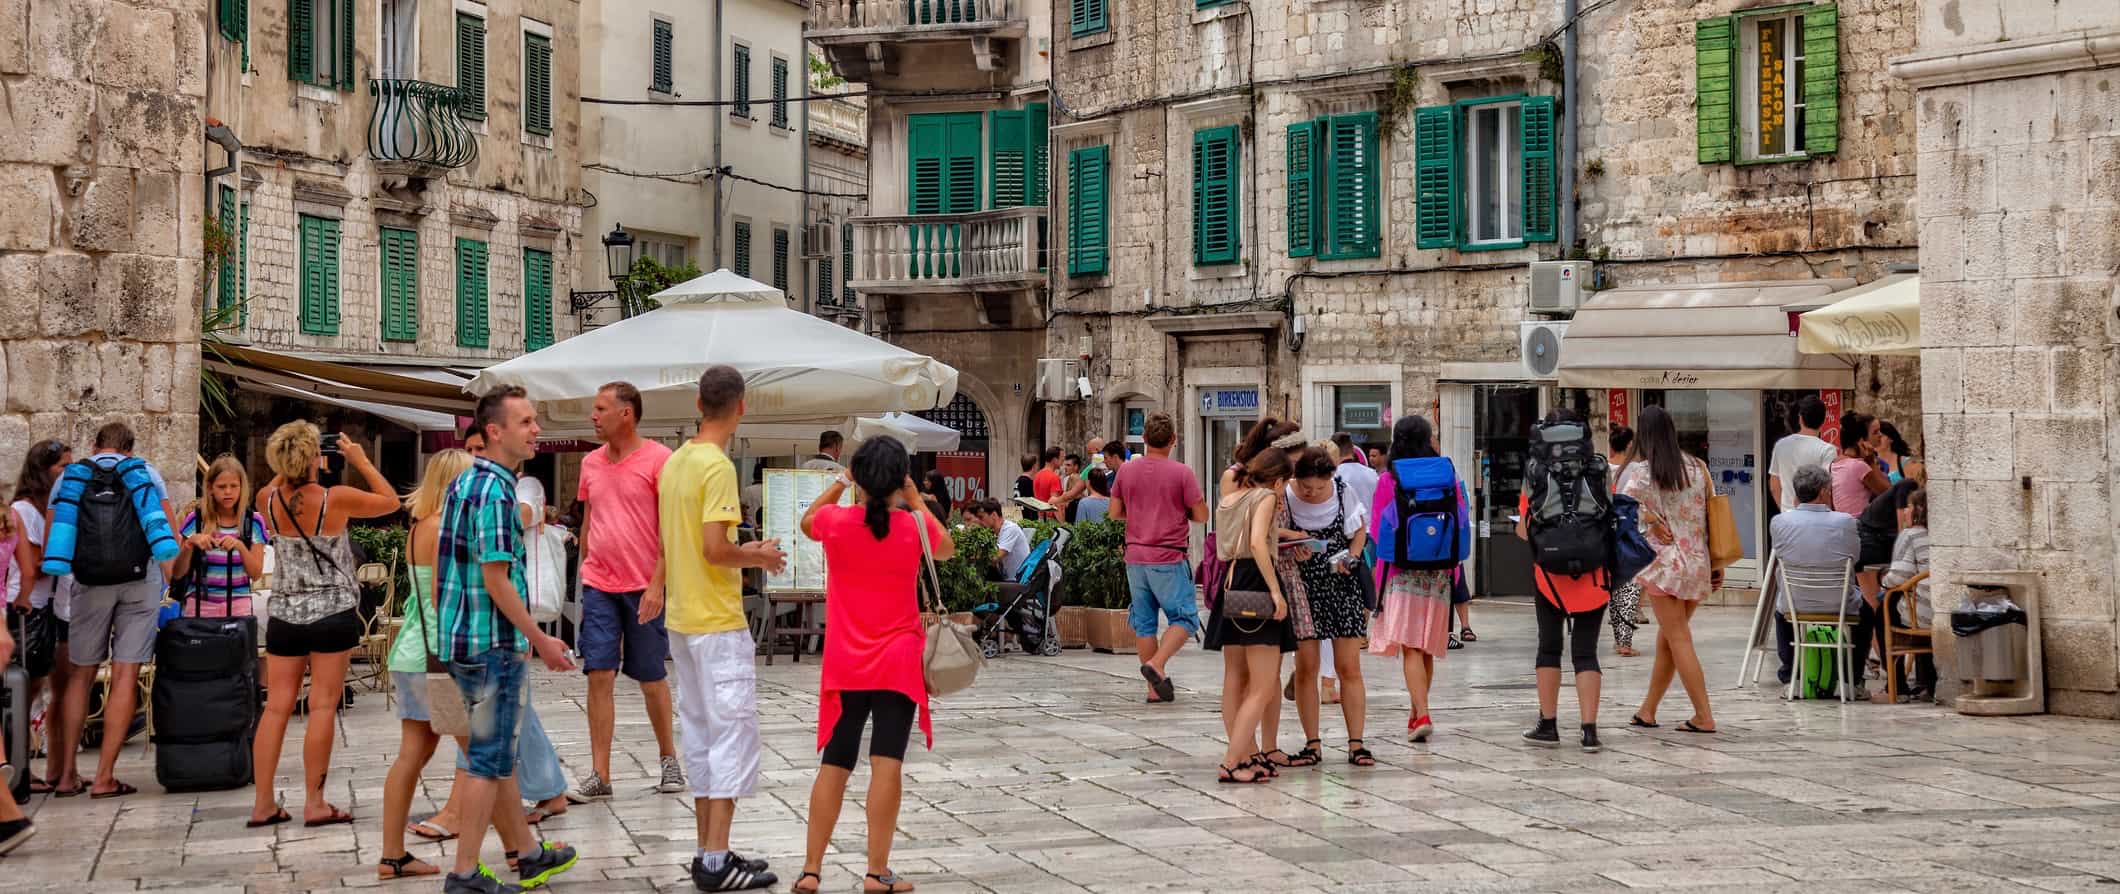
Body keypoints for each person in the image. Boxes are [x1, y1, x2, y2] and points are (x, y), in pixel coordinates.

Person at [435, 388, 581, 893]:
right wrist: (540, 638)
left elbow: (445, 569)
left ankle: (529, 853)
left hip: (461, 640)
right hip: (491, 643)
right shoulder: (498, 494)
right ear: (495, 431)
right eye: (526, 421)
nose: (536, 429)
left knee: (496, 757)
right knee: (486, 762)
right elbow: (496, 578)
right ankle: (465, 873)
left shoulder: (463, 484)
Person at [791, 438, 949, 894]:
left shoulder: (836, 523)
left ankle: (811, 870)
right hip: (898, 658)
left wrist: (842, 482)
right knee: (887, 764)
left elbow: (806, 521)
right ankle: (877, 872)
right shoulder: (912, 527)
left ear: (860, 477)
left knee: (835, 764)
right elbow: (947, 550)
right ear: (900, 477)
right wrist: (916, 498)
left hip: (846, 660)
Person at [656, 366, 789, 891]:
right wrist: (754, 555)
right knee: (731, 736)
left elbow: (675, 543)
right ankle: (715, 860)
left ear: (697, 403)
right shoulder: (716, 468)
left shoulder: (674, 464)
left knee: (702, 735)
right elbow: (714, 549)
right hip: (716, 618)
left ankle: (708, 850)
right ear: (741, 407)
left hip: (682, 618)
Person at [246, 422, 397, 826]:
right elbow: (390, 501)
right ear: (315, 456)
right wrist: (361, 460)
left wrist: (289, 462)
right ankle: (314, 802)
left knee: (276, 707)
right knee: (323, 706)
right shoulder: (336, 499)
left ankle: (263, 803)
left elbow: (278, 482)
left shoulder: (267, 499)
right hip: (332, 612)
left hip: (285, 615)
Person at [44, 422, 178, 801]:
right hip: (140, 583)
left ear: (95, 444)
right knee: (125, 675)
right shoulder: (146, 473)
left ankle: (68, 775)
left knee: (80, 677)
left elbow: (56, 532)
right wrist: (176, 584)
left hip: (87, 584)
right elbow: (167, 533)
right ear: (130, 450)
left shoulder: (72, 477)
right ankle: (104, 776)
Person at [570, 382, 685, 803]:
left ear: (627, 414)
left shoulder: (660, 460)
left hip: (643, 586)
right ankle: (600, 773)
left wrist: (659, 583)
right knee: (598, 673)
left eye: (600, 409)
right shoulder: (590, 464)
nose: (593, 416)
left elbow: (672, 528)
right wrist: (585, 564)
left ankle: (669, 757)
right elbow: (589, 520)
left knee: (651, 676)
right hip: (599, 582)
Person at [378, 449, 474, 881]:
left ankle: (392, 855)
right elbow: (444, 601)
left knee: (413, 753)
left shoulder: (420, 526)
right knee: (485, 756)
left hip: (412, 652)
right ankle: (520, 851)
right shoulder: (443, 529)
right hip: (437, 657)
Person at [1515, 409, 1609, 753]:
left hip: (1549, 576)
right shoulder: (1599, 469)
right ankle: (1589, 731)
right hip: (1594, 573)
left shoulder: (1535, 471)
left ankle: (1549, 725)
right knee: (1586, 653)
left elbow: (1524, 529)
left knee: (1549, 648)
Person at [1367, 416, 1463, 743]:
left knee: (1409, 646)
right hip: (1439, 572)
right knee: (1426, 648)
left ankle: (1421, 714)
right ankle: (1416, 711)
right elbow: (1461, 520)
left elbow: (1378, 532)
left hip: (1402, 572)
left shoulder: (1389, 480)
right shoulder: (1448, 475)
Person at [1626, 405, 1721, 732]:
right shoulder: (1698, 468)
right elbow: (1712, 518)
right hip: (1697, 562)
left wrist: (1651, 520)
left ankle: (1704, 716)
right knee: (1669, 639)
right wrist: (1716, 564)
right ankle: (1648, 710)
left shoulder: (1643, 472)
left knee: (1678, 638)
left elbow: (1621, 509)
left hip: (1665, 565)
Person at [1207, 437, 1294, 785]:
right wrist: (1275, 591)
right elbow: (1258, 541)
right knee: (1262, 685)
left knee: (1234, 678)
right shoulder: (1267, 497)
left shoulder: (1230, 497)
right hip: (1257, 580)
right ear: (1277, 481)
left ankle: (1242, 754)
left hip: (1231, 581)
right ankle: (1231, 761)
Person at [1108, 413, 1206, 704]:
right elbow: (1201, 515)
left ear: (1145, 439)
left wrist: (1137, 515)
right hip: (1169, 556)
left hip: (1135, 557)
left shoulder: (1126, 471)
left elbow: (1114, 512)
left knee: (1145, 623)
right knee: (1185, 617)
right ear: (1173, 440)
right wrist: (1179, 513)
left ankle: (1153, 688)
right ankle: (1157, 664)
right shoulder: (1182, 473)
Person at [1284, 445, 1373, 767]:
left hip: (1342, 584)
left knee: (1348, 666)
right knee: (1306, 667)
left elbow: (1359, 532)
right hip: (1303, 589)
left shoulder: (1342, 491)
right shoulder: (1285, 495)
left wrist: (1352, 556)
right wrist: (1292, 548)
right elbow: (1273, 537)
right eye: (1306, 486)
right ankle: (1313, 744)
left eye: (1318, 487)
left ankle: (1356, 743)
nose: (1311, 492)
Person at [1768, 465, 1873, 699]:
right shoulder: (1845, 521)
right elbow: (1854, 558)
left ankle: (1791, 677)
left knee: (1780, 611)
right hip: (1839, 603)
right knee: (1867, 614)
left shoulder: (1779, 522)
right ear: (1825, 491)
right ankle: (1851, 680)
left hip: (1795, 603)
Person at [9, 439, 74, 795]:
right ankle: (19, 768)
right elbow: (34, 565)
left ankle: (32, 768)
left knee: (36, 688)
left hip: (46, 606)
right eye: (62, 467)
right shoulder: (25, 510)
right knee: (25, 690)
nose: (68, 473)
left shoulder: (48, 508)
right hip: (29, 608)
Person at [171, 454, 268, 619]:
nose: (228, 492)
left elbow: (256, 574)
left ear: (242, 487)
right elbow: (178, 572)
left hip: (238, 604)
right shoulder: (196, 519)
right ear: (210, 488)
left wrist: (240, 546)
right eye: (222, 487)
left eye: (233, 486)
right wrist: (189, 545)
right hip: (199, 604)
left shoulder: (253, 521)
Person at [1880, 487, 1935, 699]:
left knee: (1882, 610)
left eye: (1909, 507)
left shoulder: (1910, 535)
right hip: (1943, 608)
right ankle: (1928, 685)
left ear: (1918, 510)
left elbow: (1899, 577)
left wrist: (1883, 580)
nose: (1904, 512)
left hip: (1921, 614)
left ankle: (1896, 686)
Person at [1768, 396, 1838, 512]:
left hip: (1788, 517)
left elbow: (1774, 487)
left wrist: (1784, 511)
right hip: (1815, 518)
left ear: (1800, 418)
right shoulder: (1827, 450)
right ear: (1823, 420)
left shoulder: (1781, 445)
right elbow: (1826, 489)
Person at [963, 499, 1030, 580]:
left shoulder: (1010, 529)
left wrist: (972, 556)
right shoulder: (993, 533)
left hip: (1016, 581)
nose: (980, 522)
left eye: (981, 517)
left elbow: (995, 557)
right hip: (1006, 579)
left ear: (994, 515)